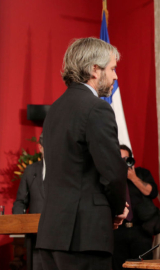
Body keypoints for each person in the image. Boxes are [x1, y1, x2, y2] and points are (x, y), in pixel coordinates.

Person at [36, 37, 129, 270]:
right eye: (112, 68)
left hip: (50, 236)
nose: (116, 76)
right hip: (84, 238)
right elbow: (113, 172)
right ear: (95, 70)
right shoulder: (97, 108)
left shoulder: (54, 110)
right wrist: (119, 209)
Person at [113, 145, 159, 269]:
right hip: (117, 231)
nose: (123, 162)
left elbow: (152, 192)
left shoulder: (142, 173)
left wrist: (133, 177)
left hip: (141, 231)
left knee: (144, 266)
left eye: (126, 159)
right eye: (119, 159)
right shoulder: (110, 177)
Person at [12, 133, 46, 270]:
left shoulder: (65, 170)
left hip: (59, 238)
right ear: (40, 148)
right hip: (35, 238)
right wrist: (19, 224)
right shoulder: (31, 171)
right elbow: (20, 201)